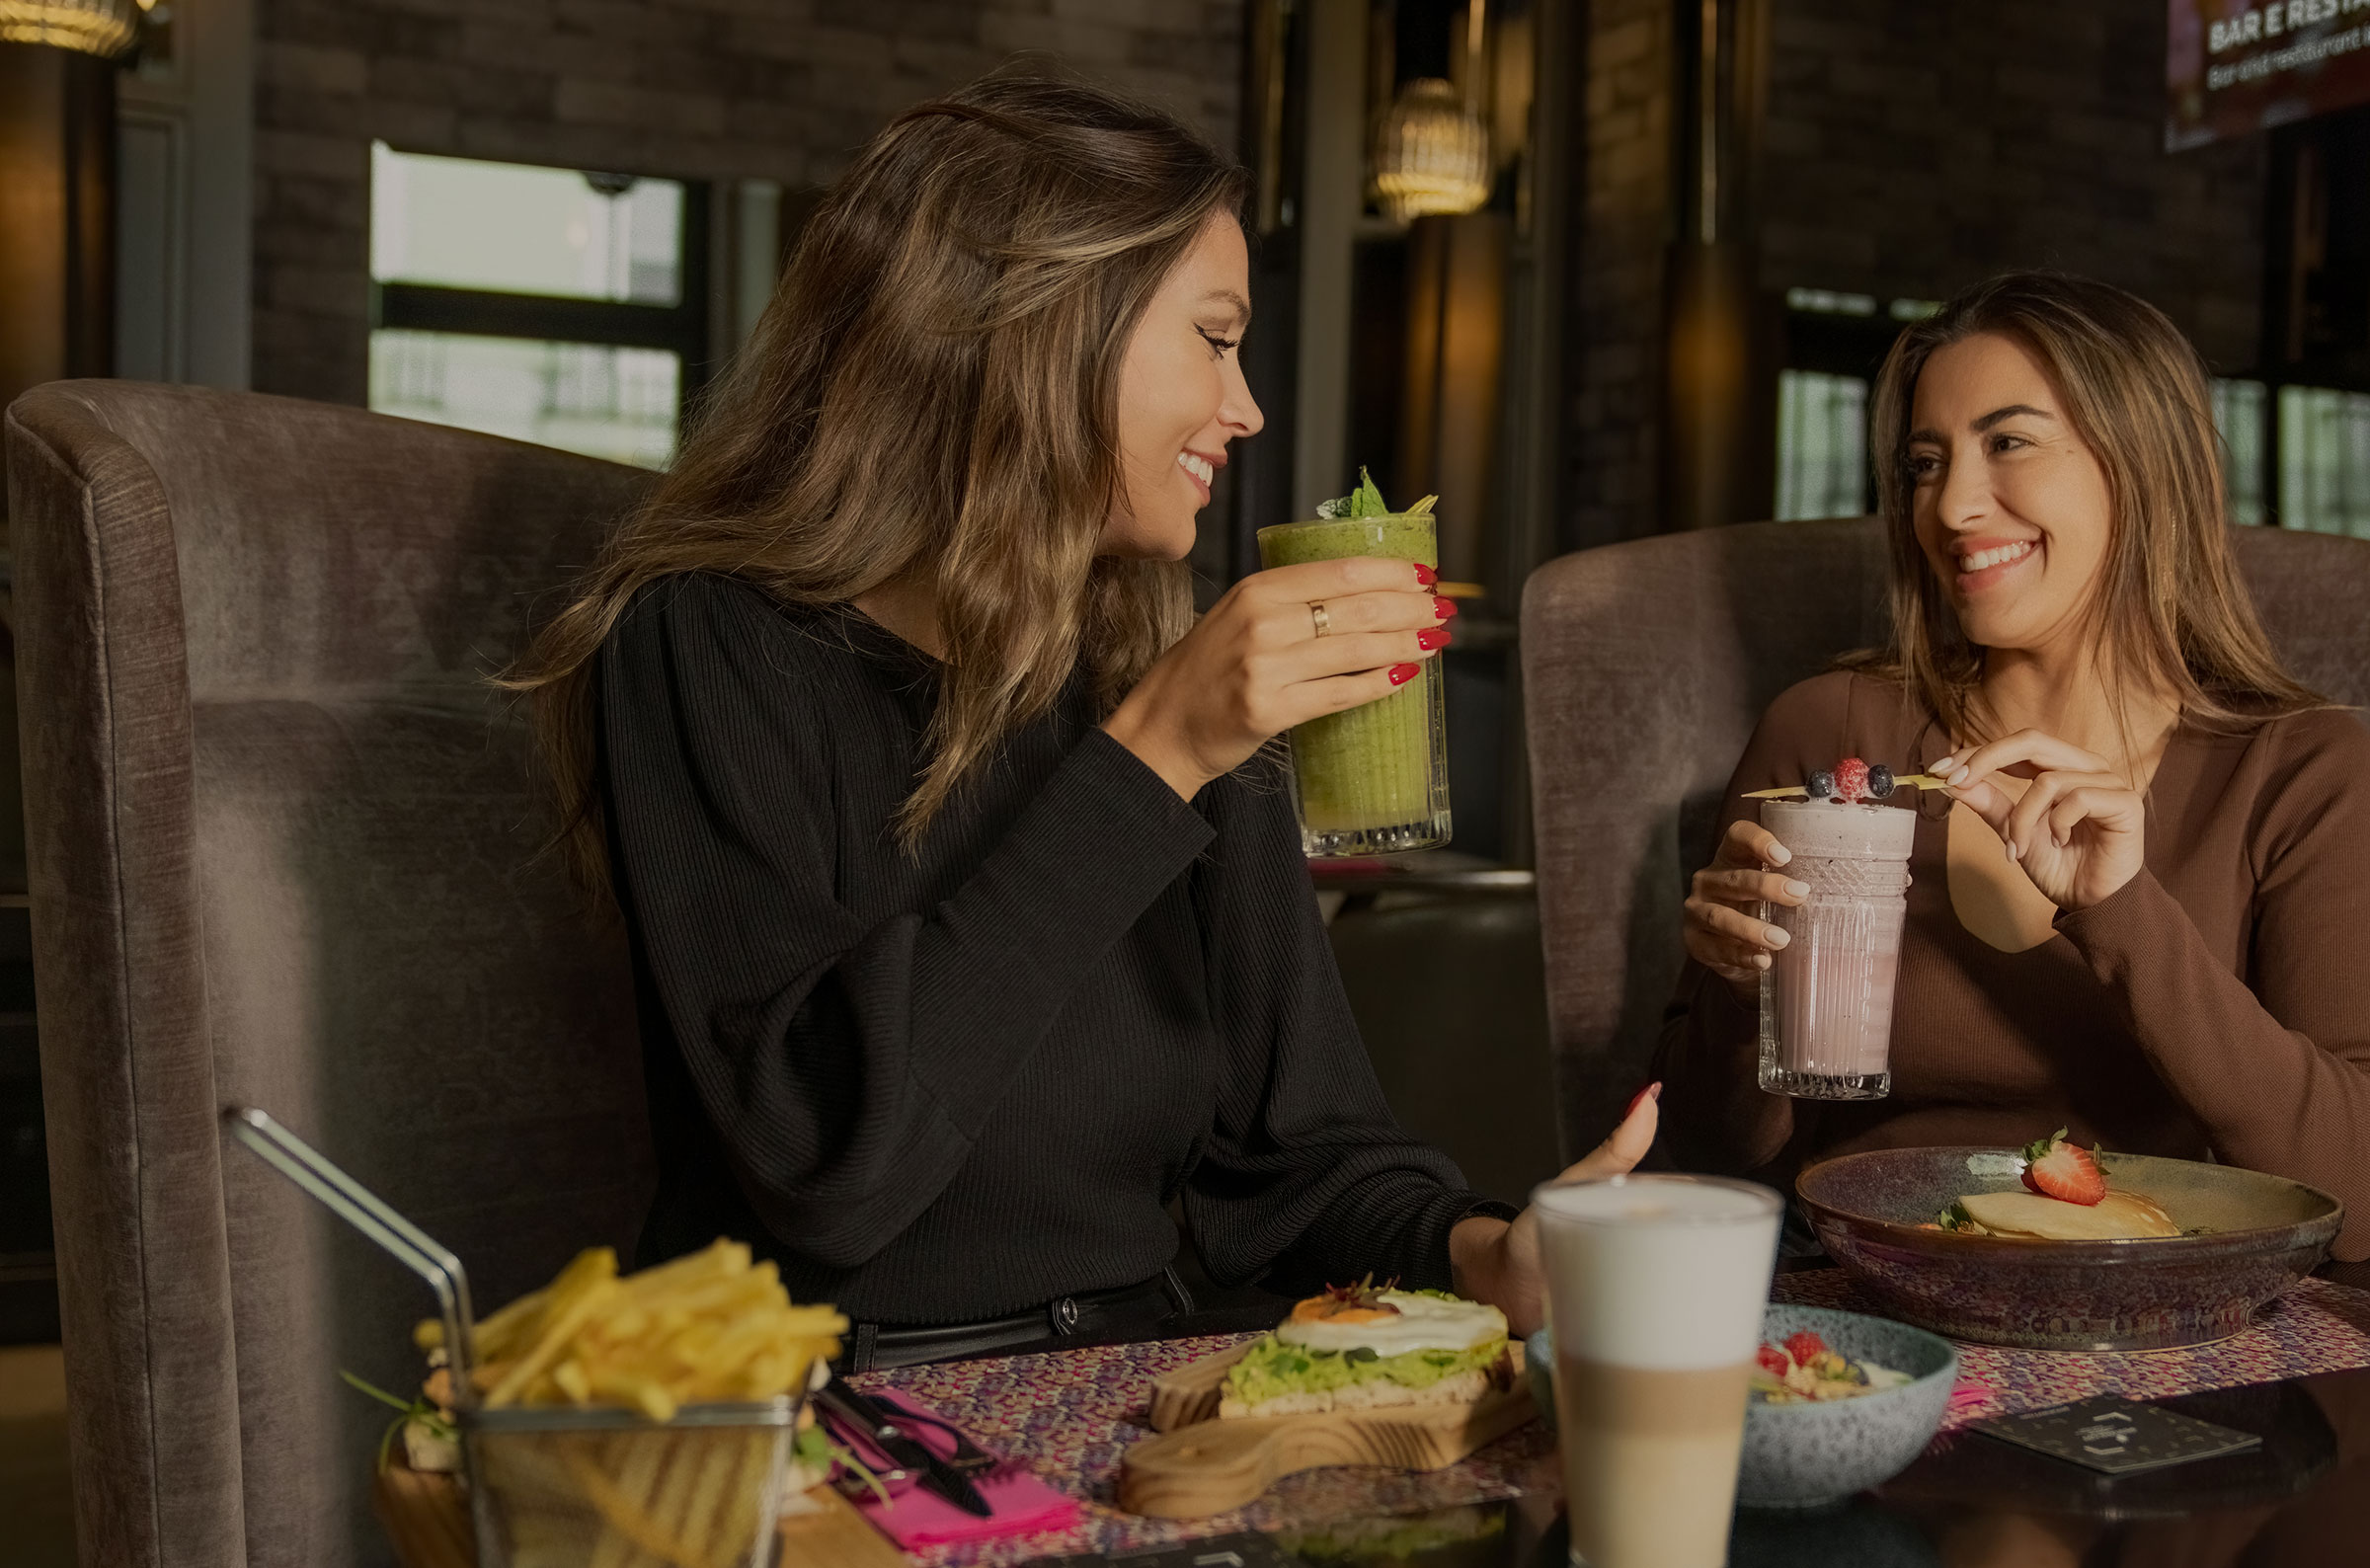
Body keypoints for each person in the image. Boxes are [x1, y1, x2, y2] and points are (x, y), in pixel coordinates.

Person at [508, 66, 1650, 1369]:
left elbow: (1303, 1158)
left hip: (1138, 1382)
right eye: (1215, 338)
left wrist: (1487, 1251)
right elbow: (831, 1169)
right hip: (830, 1418)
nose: (1248, 408)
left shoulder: (1159, 664)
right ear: (1040, 327)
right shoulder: (709, 641)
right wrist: (1157, 754)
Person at [1661, 273, 2370, 1261]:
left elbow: (2366, 1203)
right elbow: (1703, 1161)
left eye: (2008, 442)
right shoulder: (1834, 740)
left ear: (2144, 463)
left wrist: (2122, 911)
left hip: (2167, 1338)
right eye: (1924, 463)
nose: (1950, 506)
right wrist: (1735, 998)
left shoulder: (2297, 768)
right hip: (1866, 1320)